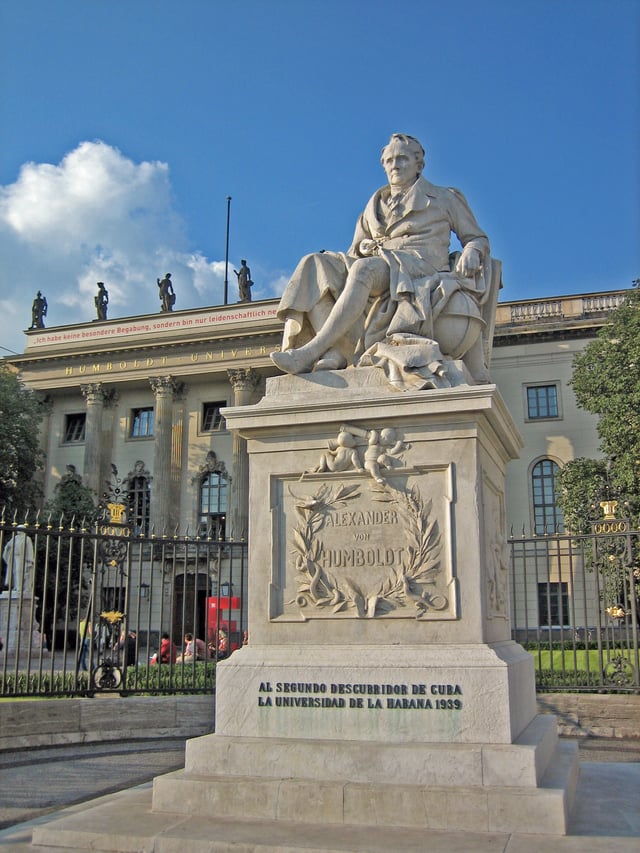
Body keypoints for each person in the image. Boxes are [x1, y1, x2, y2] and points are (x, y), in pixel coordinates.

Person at [271, 133, 497, 387]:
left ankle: (310, 351)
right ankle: (337, 349)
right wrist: (364, 246)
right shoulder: (374, 204)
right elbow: (354, 249)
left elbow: (477, 238)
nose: (395, 165)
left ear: (418, 165)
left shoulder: (444, 198)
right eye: (389, 160)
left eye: (402, 158)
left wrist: (472, 251)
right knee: (314, 264)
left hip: (420, 267)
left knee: (365, 270)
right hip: (380, 264)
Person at [2, 526, 35, 594]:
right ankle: (16, 586)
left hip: (22, 558)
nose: (17, 531)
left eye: (19, 529)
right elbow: (8, 545)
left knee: (20, 571)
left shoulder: (27, 538)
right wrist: (7, 547)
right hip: (14, 557)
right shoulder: (15, 538)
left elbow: (29, 550)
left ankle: (20, 588)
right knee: (14, 571)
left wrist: (30, 560)